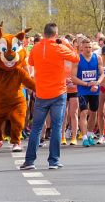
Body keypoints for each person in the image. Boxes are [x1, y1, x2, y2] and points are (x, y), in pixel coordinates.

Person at [21, 23, 79, 171]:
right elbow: (76, 57)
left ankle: (29, 161)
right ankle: (53, 161)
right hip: (58, 92)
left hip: (41, 93)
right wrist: (66, 43)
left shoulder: (36, 48)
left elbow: (31, 62)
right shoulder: (59, 47)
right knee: (56, 127)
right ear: (56, 34)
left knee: (36, 128)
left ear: (44, 33)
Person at [72, 38, 103, 147]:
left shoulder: (97, 58)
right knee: (84, 112)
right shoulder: (77, 59)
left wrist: (97, 83)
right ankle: (84, 137)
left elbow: (102, 74)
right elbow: (73, 77)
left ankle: (90, 134)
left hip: (95, 90)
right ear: (81, 48)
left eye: (90, 47)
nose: (88, 49)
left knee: (93, 112)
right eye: (86, 47)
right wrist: (86, 84)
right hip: (82, 90)